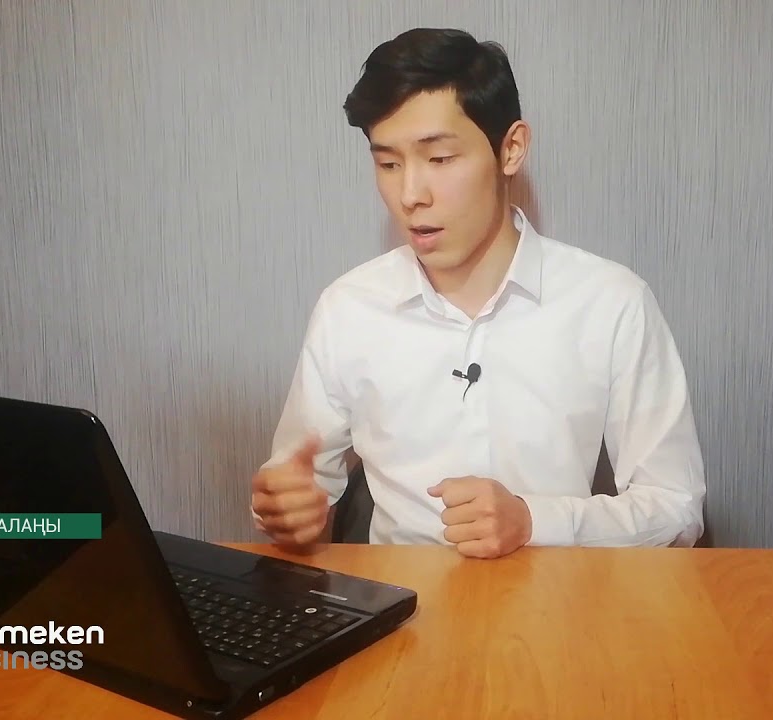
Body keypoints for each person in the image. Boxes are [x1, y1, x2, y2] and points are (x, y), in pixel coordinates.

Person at [250, 27, 706, 559]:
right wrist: (287, 508)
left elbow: (676, 509)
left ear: (510, 149)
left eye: (440, 159)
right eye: (388, 164)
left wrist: (534, 521)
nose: (410, 195)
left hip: (556, 598)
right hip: (397, 597)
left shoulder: (611, 303)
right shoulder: (348, 309)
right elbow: (297, 482)